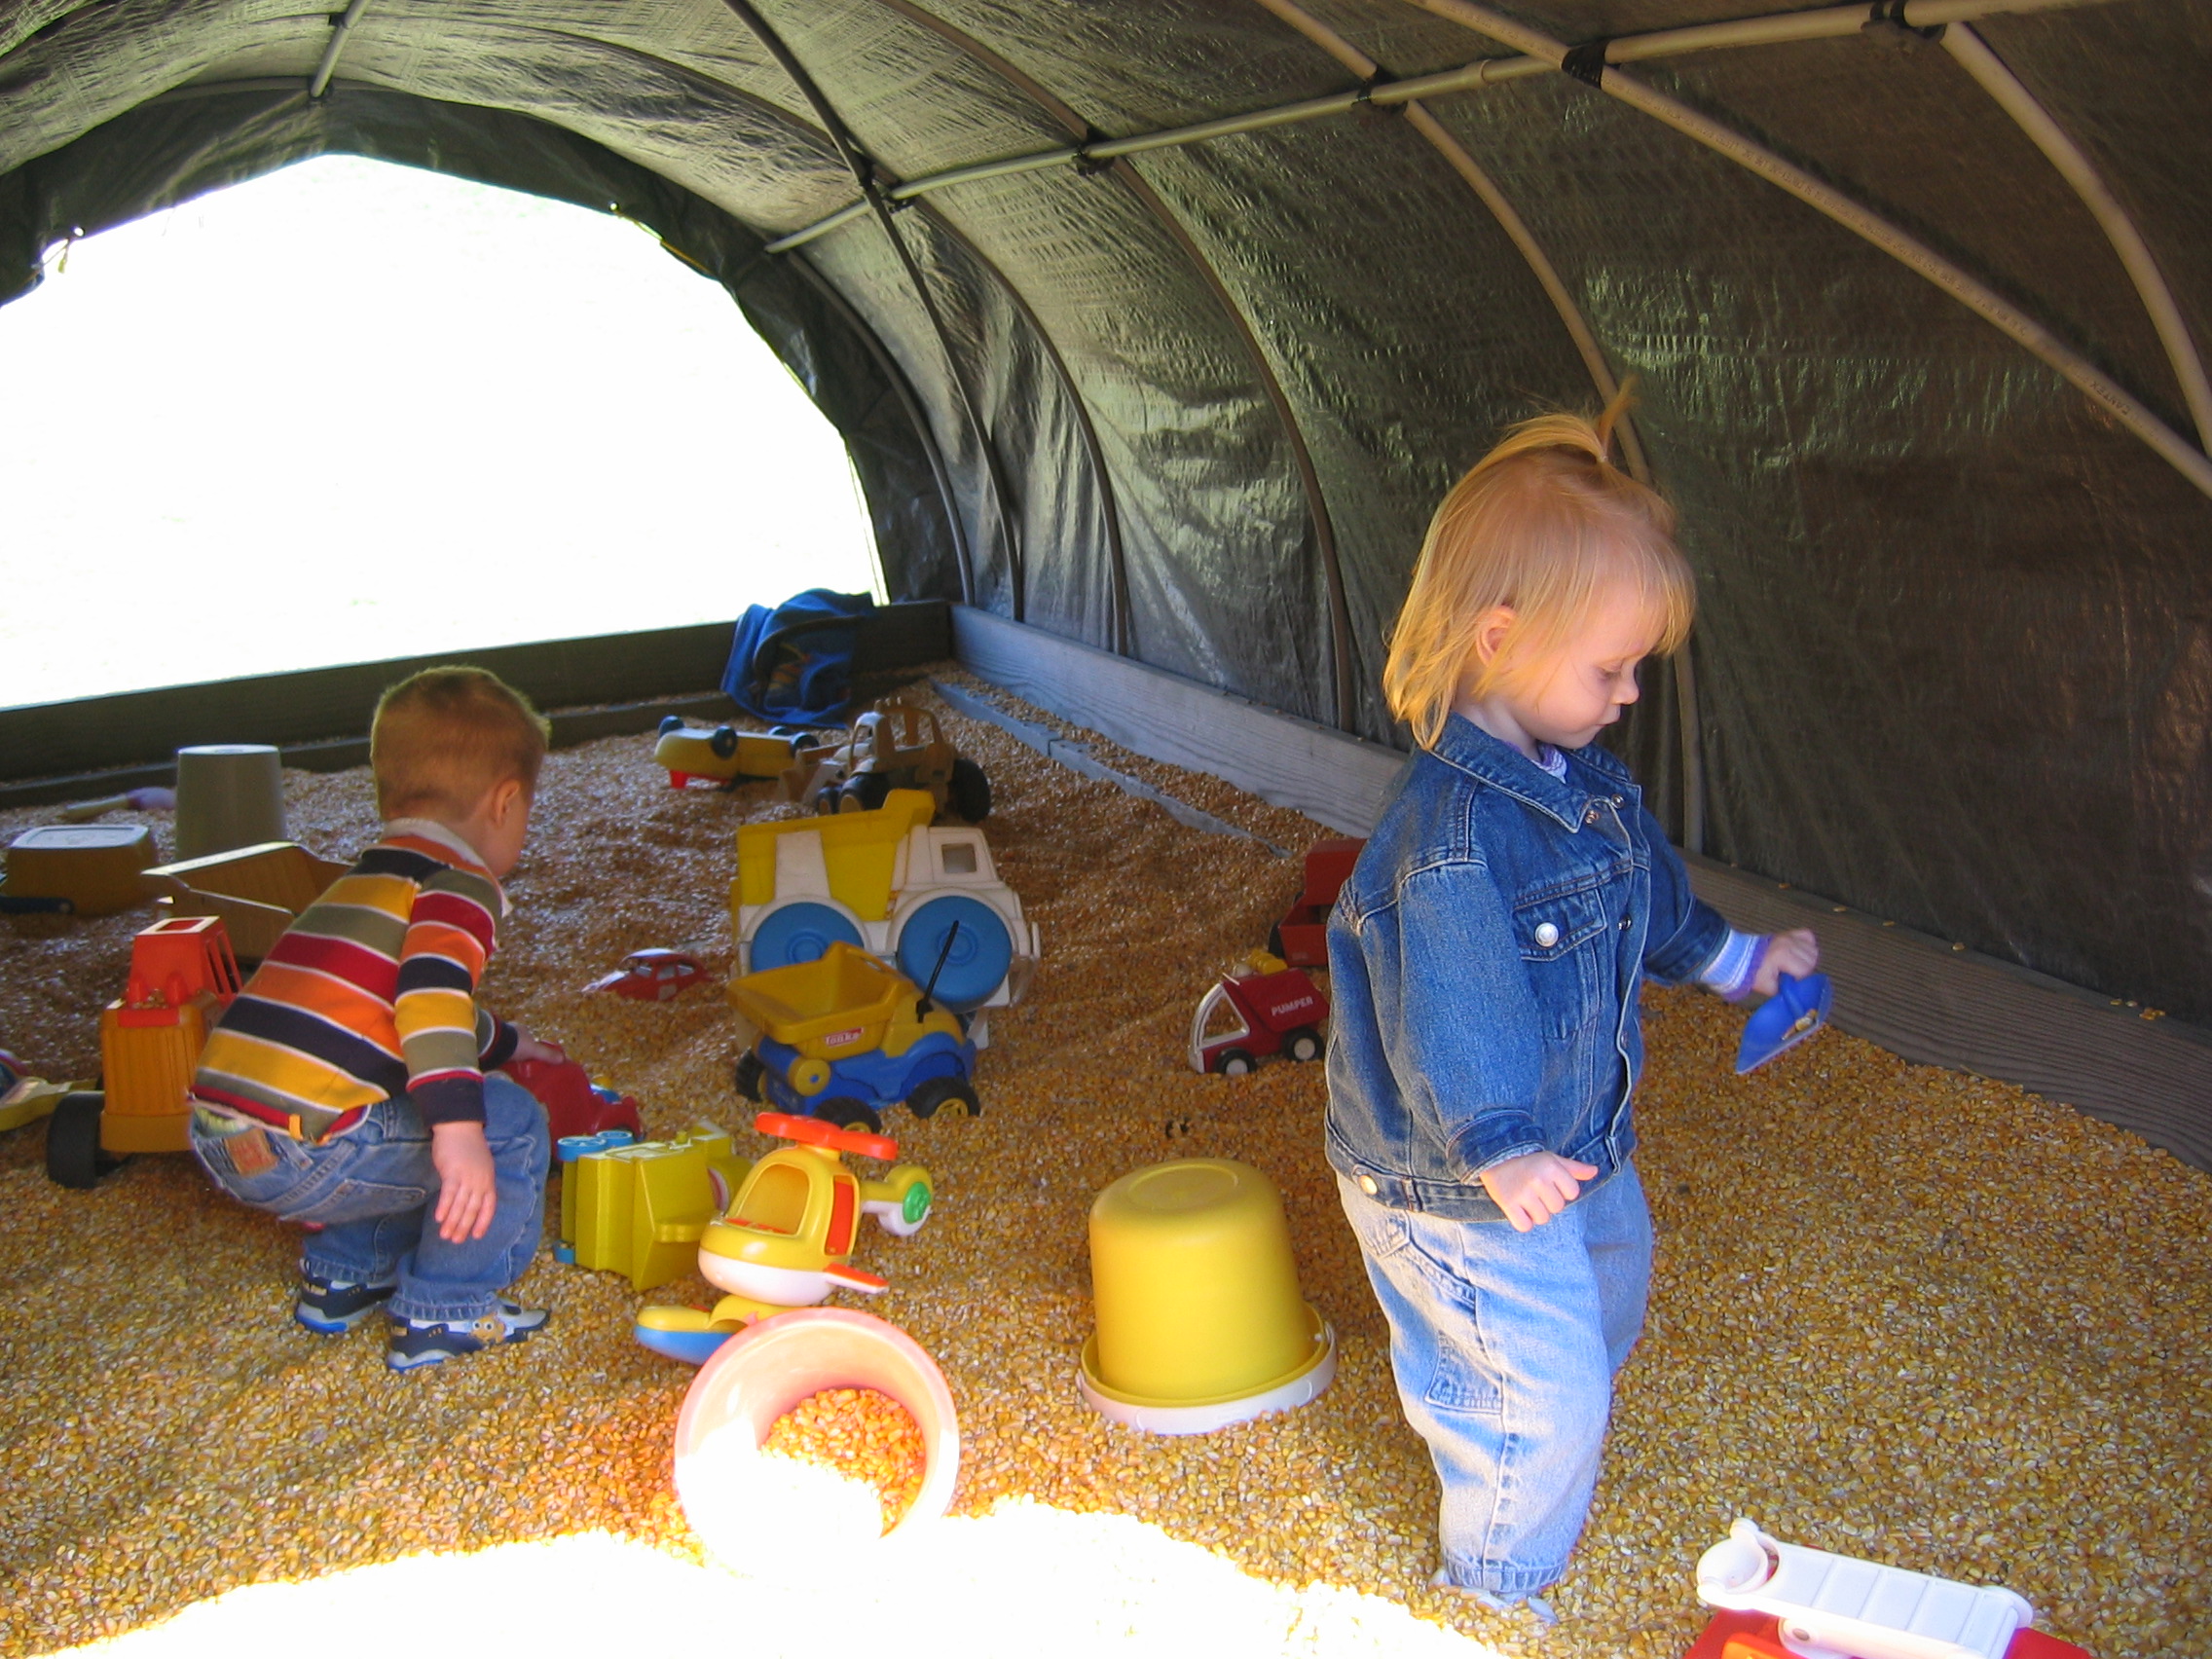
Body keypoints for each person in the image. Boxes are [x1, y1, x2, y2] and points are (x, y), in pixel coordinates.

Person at [1325, 399, 1819, 1620]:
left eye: (1634, 666)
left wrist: (1738, 960)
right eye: (1610, 668)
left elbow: (1644, 895)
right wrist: (1499, 1147)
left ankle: (1531, 1413)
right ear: (1499, 640)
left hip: (1570, 1143)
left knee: (1609, 1287)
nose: (1631, 693)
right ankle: (1492, 1585)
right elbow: (1451, 1018)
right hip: (1459, 1172)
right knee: (1538, 1387)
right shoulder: (1445, 844)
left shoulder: (1583, 785)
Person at [187, 666, 565, 1372]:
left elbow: (398, 1006)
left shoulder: (363, 880)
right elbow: (431, 995)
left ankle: (343, 1275)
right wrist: (461, 1132)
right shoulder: (460, 884)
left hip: (221, 1134)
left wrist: (510, 1043)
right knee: (508, 1121)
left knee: (395, 1103)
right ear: (506, 802)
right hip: (308, 1148)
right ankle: (446, 1308)